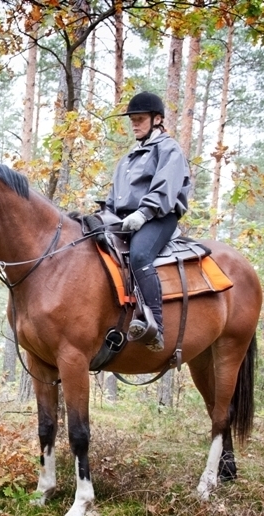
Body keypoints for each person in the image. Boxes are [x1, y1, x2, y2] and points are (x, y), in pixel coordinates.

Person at [105, 91, 191, 352]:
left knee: (141, 254)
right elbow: (114, 197)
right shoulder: (128, 158)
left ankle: (156, 327)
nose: (134, 124)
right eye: (132, 119)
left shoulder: (169, 150)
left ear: (157, 120)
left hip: (158, 217)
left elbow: (165, 189)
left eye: (140, 119)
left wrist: (143, 213)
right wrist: (105, 215)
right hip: (124, 220)